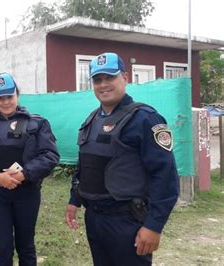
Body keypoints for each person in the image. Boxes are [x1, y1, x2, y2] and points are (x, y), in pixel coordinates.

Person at [65, 52, 180, 265]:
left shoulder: (145, 119)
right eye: (98, 80)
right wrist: (75, 199)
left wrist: (154, 225)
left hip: (127, 221)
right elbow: (86, 165)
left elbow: (165, 175)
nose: (103, 84)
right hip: (95, 218)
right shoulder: (92, 119)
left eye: (110, 77)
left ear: (125, 78)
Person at [0, 73, 59, 265]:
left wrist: (24, 174)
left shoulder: (37, 124)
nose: (6, 101)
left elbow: (50, 155)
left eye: (10, 96)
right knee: (2, 247)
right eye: (0, 98)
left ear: (17, 94)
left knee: (26, 246)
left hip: (27, 193)